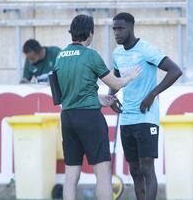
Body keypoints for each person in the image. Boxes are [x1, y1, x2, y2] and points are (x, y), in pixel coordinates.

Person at [54, 14, 141, 200]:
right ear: (90, 33)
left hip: (67, 117)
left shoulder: (60, 56)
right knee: (102, 171)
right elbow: (116, 84)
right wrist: (129, 77)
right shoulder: (90, 55)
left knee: (71, 174)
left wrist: (97, 98)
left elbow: (60, 95)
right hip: (89, 119)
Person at [109, 12, 183, 200]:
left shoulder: (146, 49)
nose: (116, 33)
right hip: (127, 118)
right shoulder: (117, 54)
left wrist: (152, 95)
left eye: (120, 28)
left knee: (146, 167)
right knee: (134, 170)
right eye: (114, 29)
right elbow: (116, 81)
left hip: (146, 117)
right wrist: (112, 97)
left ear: (131, 28)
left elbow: (175, 71)